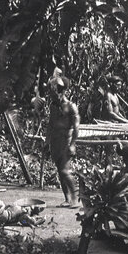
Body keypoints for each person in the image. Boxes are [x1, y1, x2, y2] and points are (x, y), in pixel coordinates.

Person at [47, 72, 80, 207]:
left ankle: (75, 198)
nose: (52, 94)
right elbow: (50, 124)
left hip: (65, 140)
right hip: (55, 141)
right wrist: (47, 141)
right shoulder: (53, 106)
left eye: (55, 91)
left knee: (65, 171)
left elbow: (76, 127)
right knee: (60, 171)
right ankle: (67, 199)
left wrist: (72, 144)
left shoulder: (71, 106)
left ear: (62, 91)